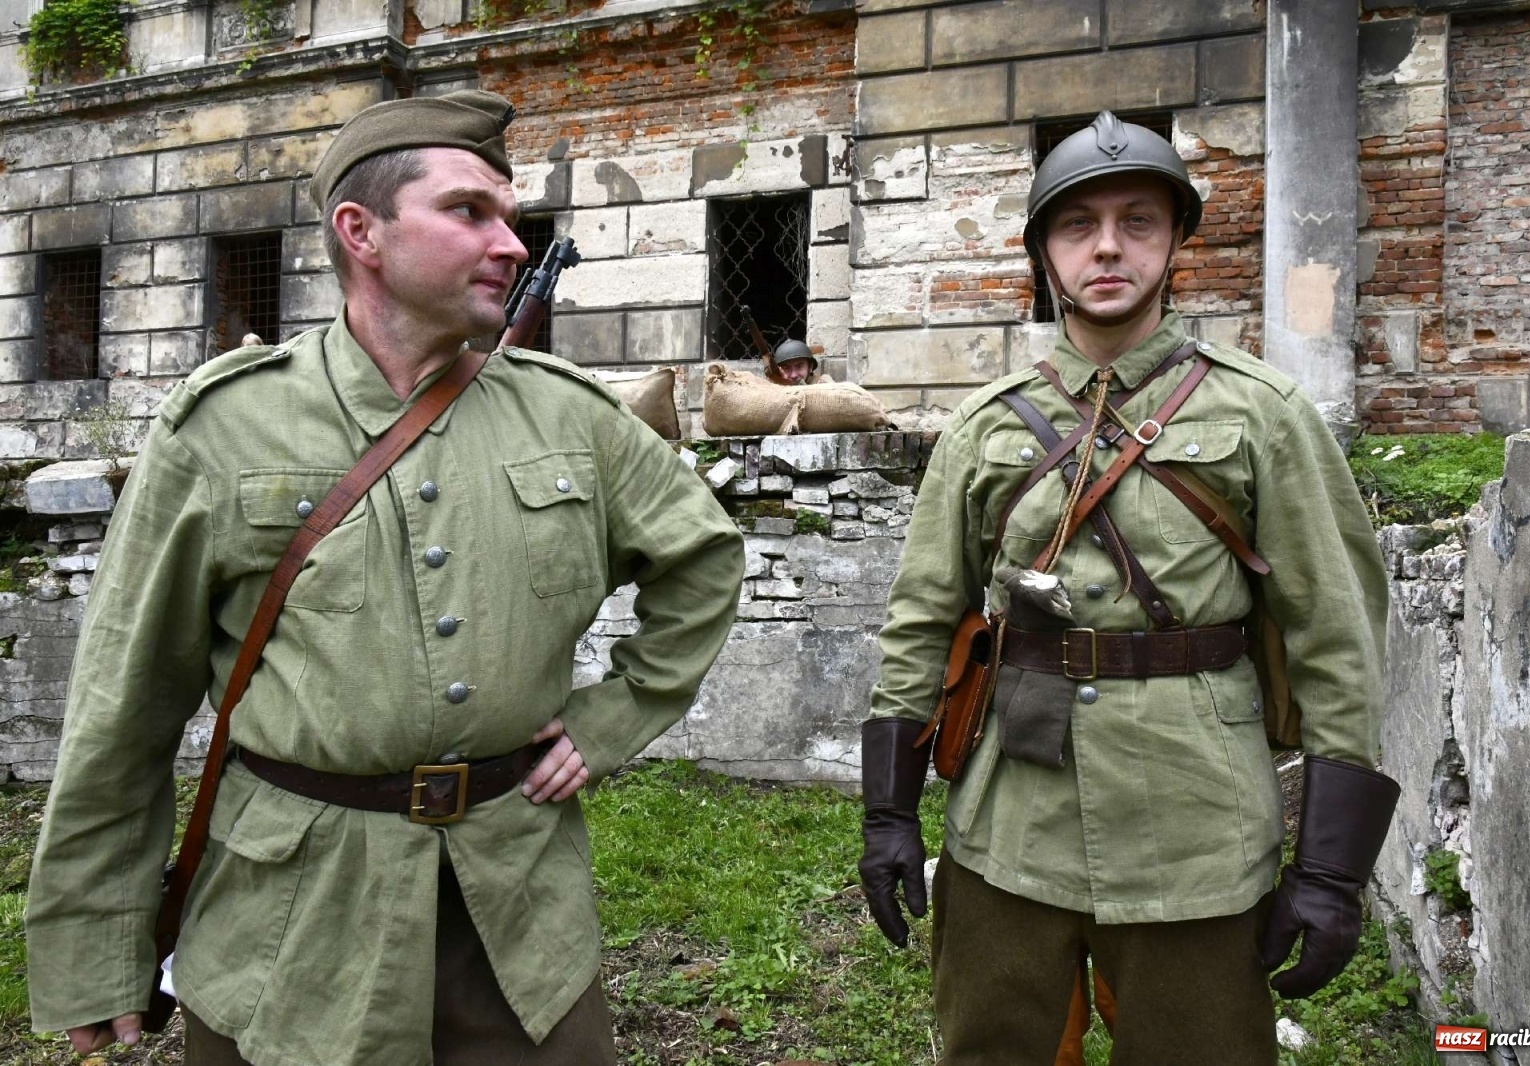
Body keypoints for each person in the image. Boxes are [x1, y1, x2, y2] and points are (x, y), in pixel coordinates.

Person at [27, 89, 745, 1066]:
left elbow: (701, 554)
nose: (511, 243)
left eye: (511, 215)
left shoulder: (571, 415)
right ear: (360, 231)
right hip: (295, 923)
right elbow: (125, 703)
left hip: (520, 915)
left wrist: (615, 713)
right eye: (469, 212)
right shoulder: (225, 428)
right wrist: (91, 947)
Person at [857, 111, 1400, 1065]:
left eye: (1138, 220)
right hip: (1007, 824)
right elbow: (920, 619)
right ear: (1043, 252)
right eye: (1078, 225)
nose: (1108, 246)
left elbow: (1336, 639)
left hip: (1195, 828)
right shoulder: (983, 429)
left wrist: (1330, 867)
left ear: (1177, 240)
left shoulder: (1262, 415)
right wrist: (888, 814)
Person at [764, 338, 828, 385]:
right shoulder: (774, 385)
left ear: (810, 367)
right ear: (780, 370)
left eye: (799, 366)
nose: (793, 375)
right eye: (787, 368)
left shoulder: (823, 384)